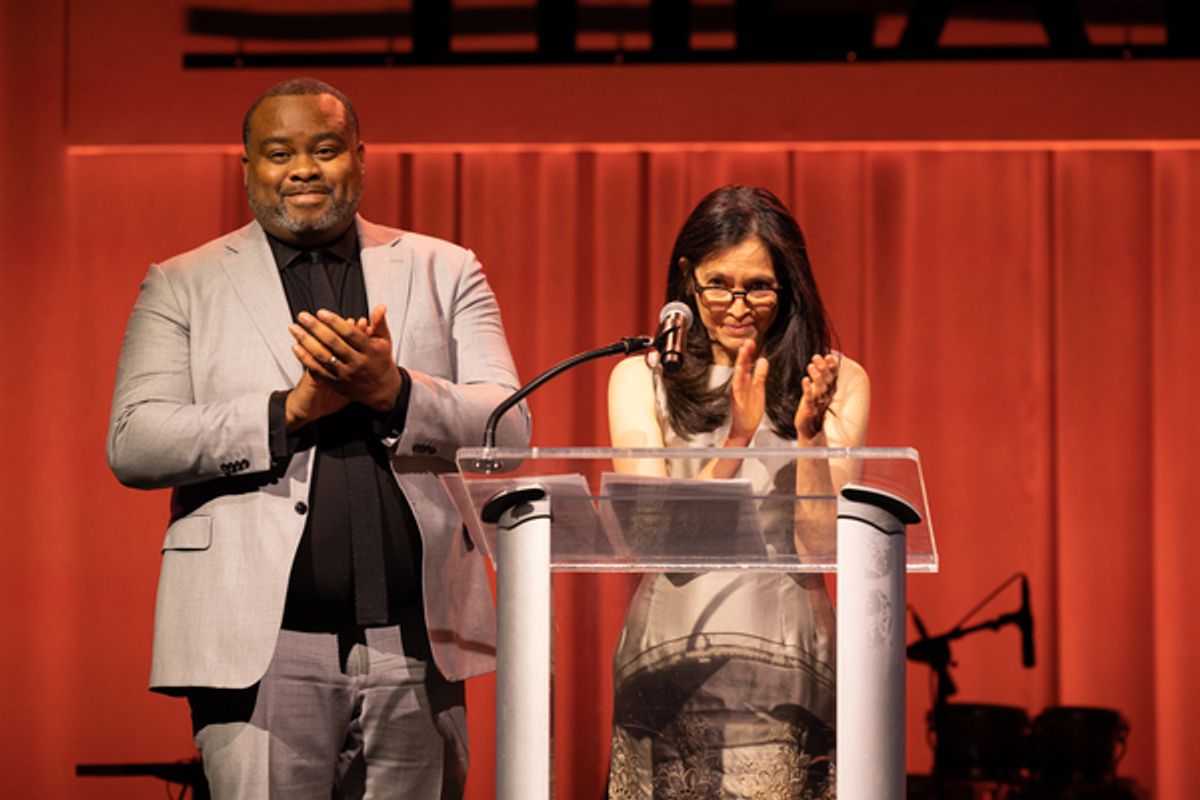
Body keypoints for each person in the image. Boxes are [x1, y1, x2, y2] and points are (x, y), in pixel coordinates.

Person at [107, 77, 529, 799]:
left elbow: (509, 427)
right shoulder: (183, 283)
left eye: (326, 149)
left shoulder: (444, 268)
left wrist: (393, 391)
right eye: (278, 153)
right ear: (247, 168)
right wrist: (289, 411)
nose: (303, 168)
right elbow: (136, 439)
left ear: (360, 159)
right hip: (259, 651)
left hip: (418, 646)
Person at [605, 185, 869, 799]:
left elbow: (821, 545)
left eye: (759, 286)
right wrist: (740, 436)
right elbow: (653, 541)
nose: (737, 306)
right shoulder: (640, 377)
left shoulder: (835, 379)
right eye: (717, 284)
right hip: (667, 653)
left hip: (786, 657)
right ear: (685, 279)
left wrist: (806, 437)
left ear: (790, 285)